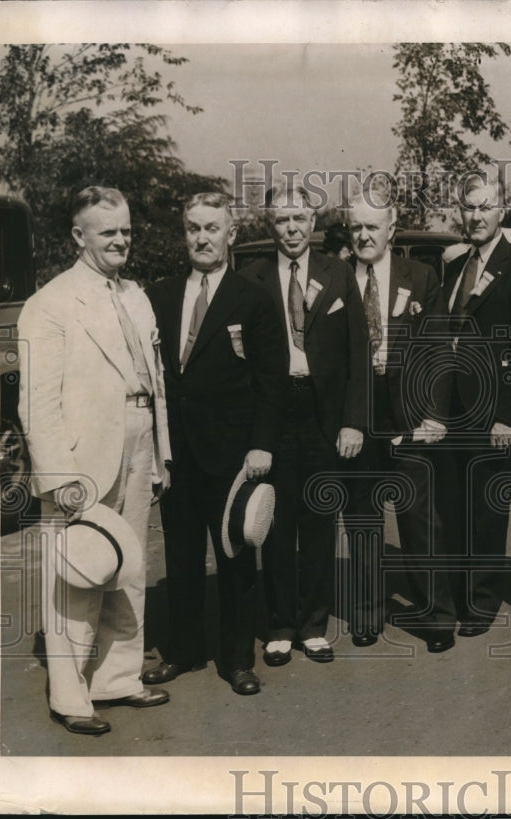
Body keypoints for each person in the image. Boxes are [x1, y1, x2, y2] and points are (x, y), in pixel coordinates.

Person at [18, 186, 172, 734]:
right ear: (79, 237)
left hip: (138, 443)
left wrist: (160, 456)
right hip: (81, 460)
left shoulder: (135, 294)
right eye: (108, 232)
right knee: (76, 574)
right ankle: (70, 694)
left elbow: (155, 385)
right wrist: (58, 476)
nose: (121, 241)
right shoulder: (50, 303)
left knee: (128, 565)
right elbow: (36, 401)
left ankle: (118, 677)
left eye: (126, 230)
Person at [145, 192, 286, 694]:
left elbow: (273, 380)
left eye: (212, 228)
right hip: (176, 453)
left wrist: (261, 444)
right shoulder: (159, 295)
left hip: (232, 453)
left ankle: (236, 660)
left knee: (234, 558)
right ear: (183, 233)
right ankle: (182, 652)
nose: (201, 238)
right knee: (180, 557)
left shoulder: (252, 298)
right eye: (193, 228)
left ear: (231, 235)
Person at [239, 183, 369, 664]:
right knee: (274, 520)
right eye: (281, 220)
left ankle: (314, 624)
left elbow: (358, 352)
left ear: (312, 224)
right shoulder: (251, 279)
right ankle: (278, 624)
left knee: (318, 520)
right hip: (274, 413)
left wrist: (353, 422)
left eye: (299, 219)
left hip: (323, 416)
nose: (291, 228)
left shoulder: (340, 274)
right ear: (269, 225)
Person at [341, 192, 456, 652]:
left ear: (392, 228)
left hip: (410, 417)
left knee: (419, 521)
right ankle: (368, 614)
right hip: (356, 419)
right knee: (363, 522)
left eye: (372, 226)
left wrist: (435, 415)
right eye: (356, 228)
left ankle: (437, 618)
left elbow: (440, 349)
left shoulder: (422, 277)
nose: (364, 235)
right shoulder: (336, 279)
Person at [435, 175, 511, 637]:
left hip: (494, 414)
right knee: (454, 507)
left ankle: (481, 602)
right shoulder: (458, 264)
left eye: (485, 208)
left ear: (502, 211)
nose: (476, 216)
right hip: (453, 411)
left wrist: (509, 416)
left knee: (486, 510)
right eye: (469, 208)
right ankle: (459, 592)